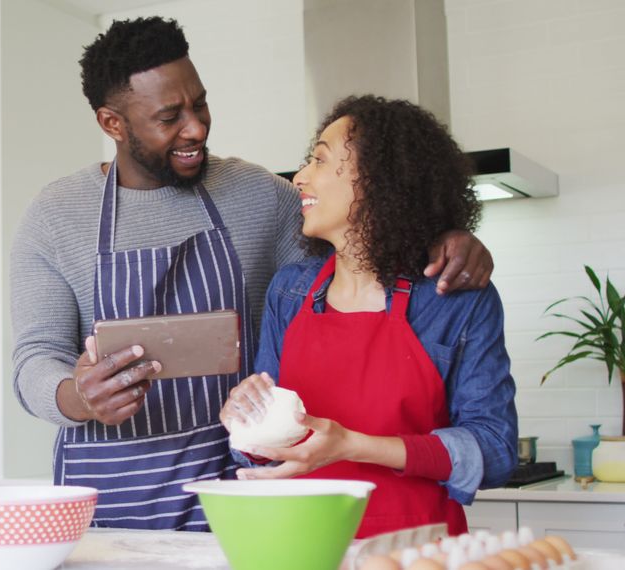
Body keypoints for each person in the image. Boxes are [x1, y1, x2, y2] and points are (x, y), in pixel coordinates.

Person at [10, 17, 493, 531]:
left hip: (240, 489)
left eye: (199, 104)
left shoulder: (265, 198)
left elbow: (366, 246)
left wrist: (447, 237)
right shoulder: (57, 215)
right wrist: (79, 396)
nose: (195, 128)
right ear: (113, 124)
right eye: (169, 116)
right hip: (110, 496)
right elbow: (35, 360)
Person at [219, 95, 518, 538]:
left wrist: (354, 447)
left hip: (418, 549)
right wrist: (246, 423)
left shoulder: (453, 299)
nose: (300, 177)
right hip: (301, 545)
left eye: (319, 160)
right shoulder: (290, 289)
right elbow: (262, 452)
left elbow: (494, 451)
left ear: (379, 180)